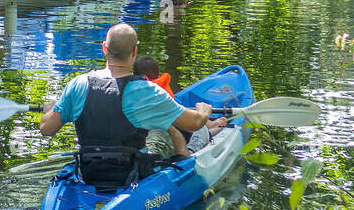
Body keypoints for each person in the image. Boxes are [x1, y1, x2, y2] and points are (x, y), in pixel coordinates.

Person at [40, 24, 215, 175]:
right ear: (134, 52)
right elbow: (195, 123)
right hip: (133, 173)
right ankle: (188, 157)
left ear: (104, 48)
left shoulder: (78, 84)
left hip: (89, 171)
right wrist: (203, 111)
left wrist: (51, 110)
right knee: (186, 130)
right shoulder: (148, 91)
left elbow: (46, 129)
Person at [134, 54, 229, 152]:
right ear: (158, 74)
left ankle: (210, 128)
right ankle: (206, 134)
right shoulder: (159, 92)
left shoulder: (129, 90)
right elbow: (182, 116)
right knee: (201, 129)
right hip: (165, 132)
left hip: (149, 133)